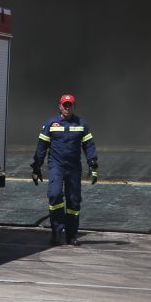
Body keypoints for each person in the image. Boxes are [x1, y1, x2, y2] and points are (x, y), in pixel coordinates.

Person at [31, 94, 98, 246]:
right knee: (54, 196)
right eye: (65, 105)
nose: (67, 108)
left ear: (74, 107)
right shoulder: (51, 123)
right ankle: (56, 232)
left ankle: (72, 235)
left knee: (74, 201)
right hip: (56, 166)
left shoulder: (81, 124)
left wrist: (93, 166)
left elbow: (89, 146)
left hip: (74, 167)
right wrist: (36, 167)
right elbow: (42, 147)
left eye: (70, 105)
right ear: (60, 106)